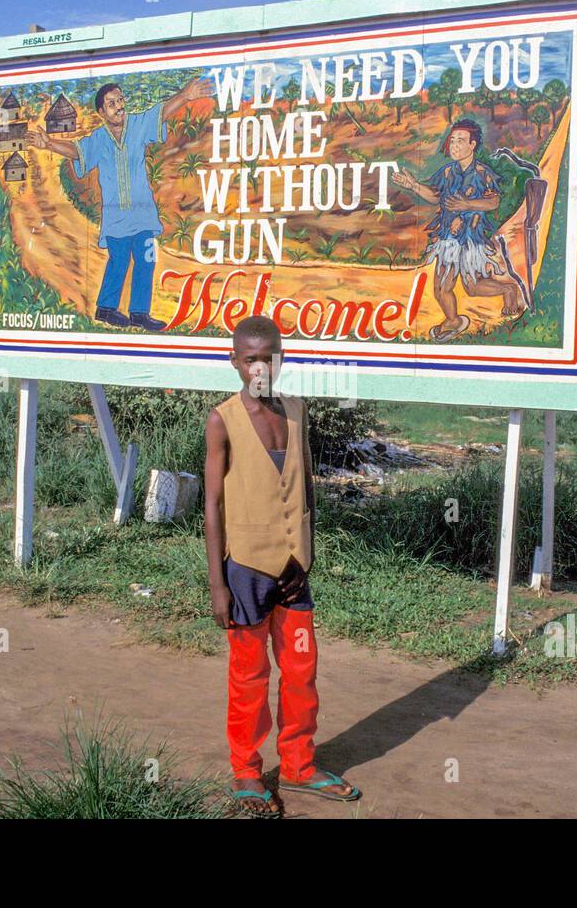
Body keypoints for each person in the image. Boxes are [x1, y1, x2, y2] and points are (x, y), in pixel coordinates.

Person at [203, 315, 360, 817]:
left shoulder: (295, 411)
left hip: (294, 570)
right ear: (234, 361)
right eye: (250, 358)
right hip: (246, 570)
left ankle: (298, 763)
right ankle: (248, 773)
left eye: (269, 356)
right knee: (248, 676)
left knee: (300, 669)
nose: (260, 367)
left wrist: (306, 552)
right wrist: (217, 585)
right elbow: (211, 506)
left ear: (282, 358)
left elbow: (305, 484)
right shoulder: (221, 419)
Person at [27, 75, 212, 331]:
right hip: (116, 218)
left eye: (121, 100)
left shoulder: (137, 125)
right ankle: (106, 309)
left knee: (146, 261)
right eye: (112, 103)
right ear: (102, 112)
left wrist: (184, 95)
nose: (119, 106)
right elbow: (77, 151)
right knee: (119, 261)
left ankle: (139, 313)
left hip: (144, 215)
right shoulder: (97, 139)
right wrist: (49, 144)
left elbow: (159, 114)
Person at [392, 118, 527, 342]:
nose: (454, 145)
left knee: (472, 287)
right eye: (452, 140)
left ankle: (509, 290)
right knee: (441, 289)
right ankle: (454, 321)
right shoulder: (447, 172)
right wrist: (413, 185)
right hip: (447, 238)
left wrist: (467, 205)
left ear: (472, 145)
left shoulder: (483, 173)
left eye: (460, 141)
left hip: (469, 239)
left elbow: (493, 202)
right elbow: (435, 196)